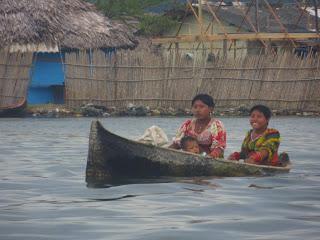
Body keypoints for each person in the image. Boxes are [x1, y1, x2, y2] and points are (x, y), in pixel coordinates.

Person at [170, 94, 226, 158]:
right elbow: (177, 143)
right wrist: (165, 152)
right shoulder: (188, 124)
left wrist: (209, 157)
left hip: (210, 159)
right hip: (190, 159)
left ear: (210, 109)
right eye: (195, 107)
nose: (197, 110)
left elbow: (219, 148)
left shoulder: (217, 125)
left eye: (202, 107)